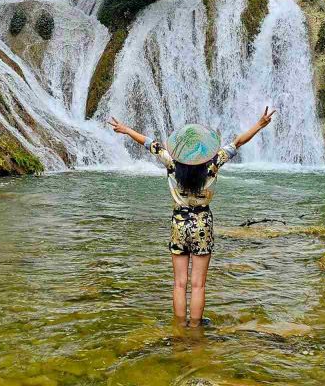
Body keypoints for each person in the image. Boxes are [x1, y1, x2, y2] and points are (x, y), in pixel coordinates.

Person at [107, 108, 277, 326]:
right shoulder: (214, 162)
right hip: (202, 224)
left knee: (179, 283)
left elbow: (149, 143)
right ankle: (195, 329)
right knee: (198, 285)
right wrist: (259, 124)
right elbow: (238, 142)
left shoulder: (171, 162)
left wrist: (126, 130)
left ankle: (179, 328)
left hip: (179, 223)